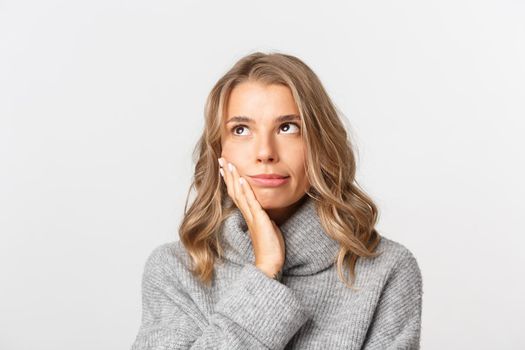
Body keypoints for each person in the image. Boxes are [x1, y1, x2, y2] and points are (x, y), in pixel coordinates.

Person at [131, 52, 423, 349]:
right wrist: (265, 269)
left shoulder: (387, 269)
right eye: (241, 130)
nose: (265, 152)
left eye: (288, 128)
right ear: (219, 150)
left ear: (320, 145)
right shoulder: (176, 269)